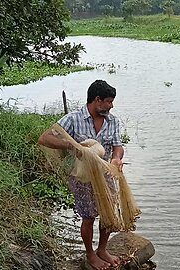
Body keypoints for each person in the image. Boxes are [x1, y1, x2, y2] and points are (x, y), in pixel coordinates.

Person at [38, 80, 124, 270]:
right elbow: (45, 138)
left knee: (108, 213)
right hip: (82, 177)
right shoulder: (73, 119)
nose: (111, 106)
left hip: (105, 172)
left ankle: (102, 249)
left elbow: (118, 147)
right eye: (108, 102)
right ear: (97, 100)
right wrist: (71, 145)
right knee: (88, 217)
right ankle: (90, 254)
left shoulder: (113, 121)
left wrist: (116, 159)